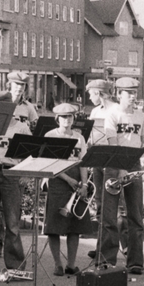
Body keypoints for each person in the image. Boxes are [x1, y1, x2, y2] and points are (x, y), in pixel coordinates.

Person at [0, 70, 37, 277]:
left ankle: (15, 263)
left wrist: (23, 171)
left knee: (12, 222)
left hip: (11, 174)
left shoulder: (22, 126)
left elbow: (29, 151)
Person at [100, 77, 144, 275]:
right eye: (128, 93)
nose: (132, 97)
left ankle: (135, 261)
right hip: (115, 164)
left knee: (136, 214)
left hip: (134, 164)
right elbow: (113, 143)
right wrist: (120, 168)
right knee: (110, 216)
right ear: (119, 94)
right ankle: (107, 260)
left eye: (134, 93)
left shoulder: (141, 116)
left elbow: (142, 142)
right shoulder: (112, 115)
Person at [42, 103, 88, 276]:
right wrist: (68, 179)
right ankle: (57, 264)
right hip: (58, 181)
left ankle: (71, 264)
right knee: (54, 225)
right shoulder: (50, 135)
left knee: (74, 225)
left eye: (69, 116)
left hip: (76, 180)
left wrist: (84, 184)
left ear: (74, 118)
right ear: (57, 119)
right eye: (63, 117)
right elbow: (50, 163)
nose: (67, 120)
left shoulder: (79, 137)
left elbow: (83, 162)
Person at [83, 78, 118, 260]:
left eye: (91, 93)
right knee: (99, 205)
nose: (89, 97)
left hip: (111, 160)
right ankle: (100, 247)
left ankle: (108, 250)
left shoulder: (116, 110)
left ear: (99, 93)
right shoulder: (95, 111)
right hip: (98, 159)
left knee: (110, 208)